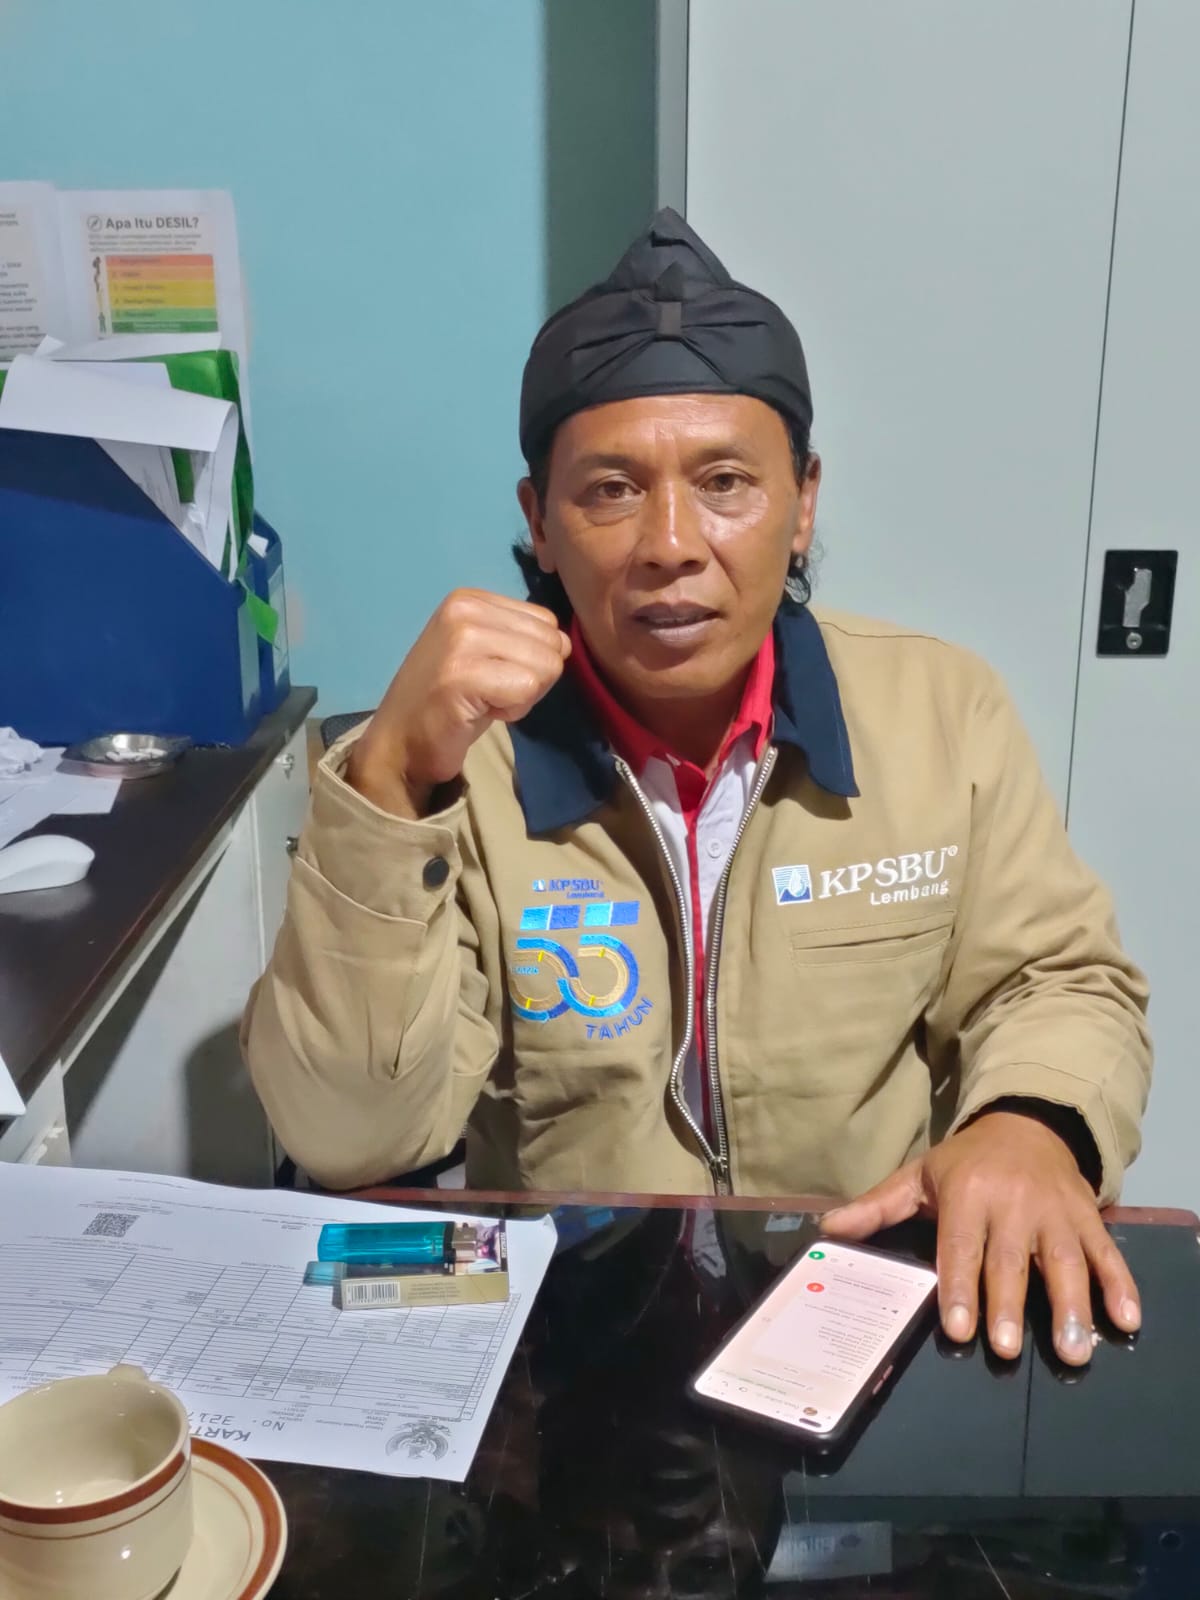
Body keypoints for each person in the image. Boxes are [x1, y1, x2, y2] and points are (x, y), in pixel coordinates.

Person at [242, 209, 1151, 1368]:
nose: (671, 542)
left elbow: (1058, 978)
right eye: (610, 490)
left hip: (858, 1315)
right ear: (540, 523)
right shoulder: (458, 766)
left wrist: (1031, 1122)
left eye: (725, 481)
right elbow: (345, 1134)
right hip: (574, 1345)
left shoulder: (941, 712)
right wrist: (385, 780)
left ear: (803, 502)